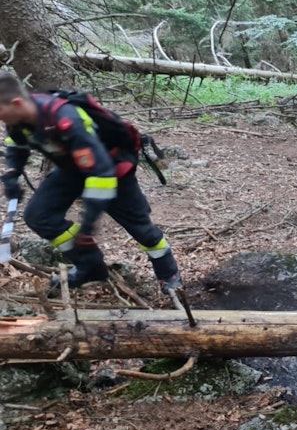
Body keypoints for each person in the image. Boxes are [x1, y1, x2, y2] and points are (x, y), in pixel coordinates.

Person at [0, 71, 182, 293]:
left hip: (111, 170)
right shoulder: (18, 120)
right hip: (72, 169)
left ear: (16, 103)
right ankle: (91, 268)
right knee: (39, 217)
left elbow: (101, 174)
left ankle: (168, 272)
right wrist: (11, 174)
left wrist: (87, 227)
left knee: (141, 229)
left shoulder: (66, 119)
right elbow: (16, 146)